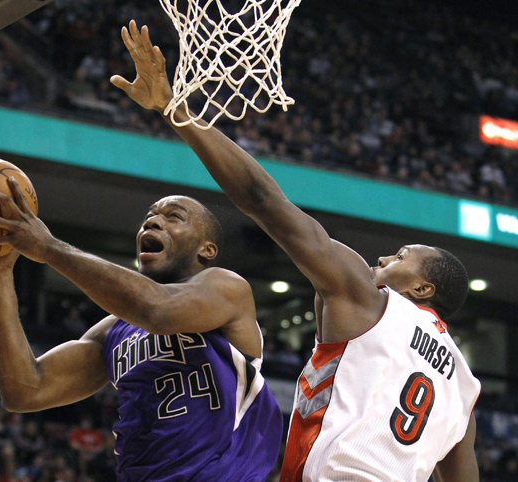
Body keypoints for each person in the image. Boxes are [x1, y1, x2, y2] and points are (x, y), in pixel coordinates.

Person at [110, 20, 481, 482]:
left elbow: (263, 201)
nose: (384, 259)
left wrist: (174, 108)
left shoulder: (369, 298)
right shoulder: (465, 387)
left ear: (423, 286)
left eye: (401, 256)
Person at [0, 185, 283, 480]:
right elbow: (26, 389)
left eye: (173, 217)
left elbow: (158, 311)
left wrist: (48, 247)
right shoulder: (113, 330)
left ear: (207, 249)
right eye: (149, 217)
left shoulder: (227, 288)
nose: (153, 222)